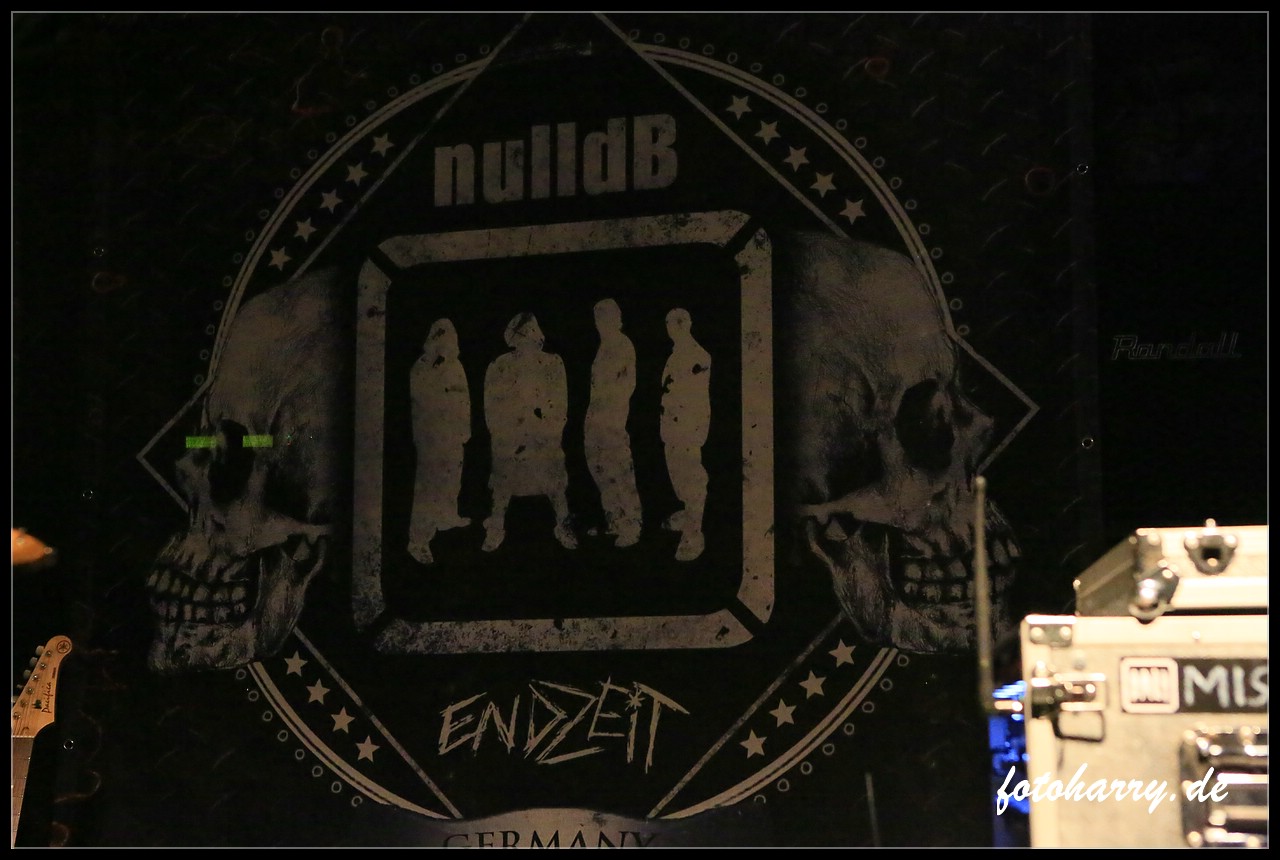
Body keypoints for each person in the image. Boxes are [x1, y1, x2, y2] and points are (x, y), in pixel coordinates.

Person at [481, 312, 576, 552]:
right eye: (524, 335)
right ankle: (495, 528)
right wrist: (506, 433)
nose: (530, 338)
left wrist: (546, 429)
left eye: (533, 332)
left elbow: (560, 404)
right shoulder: (500, 365)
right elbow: (492, 406)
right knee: (502, 485)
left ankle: (564, 526)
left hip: (543, 437)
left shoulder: (552, 363)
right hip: (511, 439)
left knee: (555, 484)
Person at [407, 319, 472, 565]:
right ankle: (419, 540)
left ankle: (446, 515)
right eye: (441, 340)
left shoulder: (456, 366)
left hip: (452, 435)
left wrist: (464, 429)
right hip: (431, 436)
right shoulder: (421, 367)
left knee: (452, 478)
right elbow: (422, 404)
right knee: (428, 486)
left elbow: (464, 400)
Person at [584, 299, 643, 548]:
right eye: (597, 317)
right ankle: (614, 519)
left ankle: (632, 524)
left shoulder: (622, 344)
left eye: (604, 317)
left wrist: (610, 417)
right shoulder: (605, 345)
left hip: (612, 419)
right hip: (596, 417)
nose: (599, 322)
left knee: (619, 471)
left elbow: (624, 386)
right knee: (600, 468)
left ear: (614, 318)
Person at [659, 308, 711, 561]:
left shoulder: (697, 356)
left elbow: (696, 398)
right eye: (669, 324)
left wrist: (692, 429)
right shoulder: (675, 355)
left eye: (676, 323)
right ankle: (688, 513)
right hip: (672, 427)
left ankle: (694, 533)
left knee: (691, 478)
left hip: (687, 428)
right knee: (678, 475)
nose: (671, 328)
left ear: (686, 325)